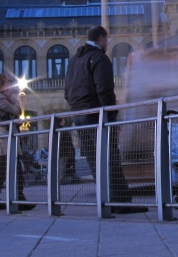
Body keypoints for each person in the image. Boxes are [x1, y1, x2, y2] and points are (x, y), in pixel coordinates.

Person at [64, 25, 147, 215]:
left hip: (78, 115)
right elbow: (104, 89)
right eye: (107, 40)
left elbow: (67, 91)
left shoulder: (74, 60)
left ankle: (106, 200)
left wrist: (76, 108)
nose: (108, 44)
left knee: (94, 159)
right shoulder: (100, 58)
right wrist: (110, 112)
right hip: (96, 115)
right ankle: (121, 202)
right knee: (110, 157)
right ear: (102, 38)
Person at [0, 73, 35, 210]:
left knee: (7, 169)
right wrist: (12, 97)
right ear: (0, 83)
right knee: (10, 169)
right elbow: (17, 110)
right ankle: (9, 197)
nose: (8, 85)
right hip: (5, 137)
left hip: (3, 136)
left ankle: (14, 197)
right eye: (6, 82)